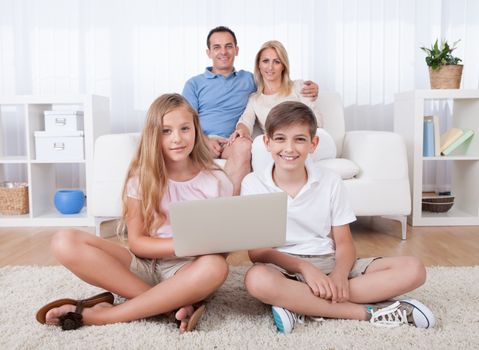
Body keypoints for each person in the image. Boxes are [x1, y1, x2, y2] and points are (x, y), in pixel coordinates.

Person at [35, 94, 233, 333]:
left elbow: (223, 245)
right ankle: (168, 306)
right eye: (166, 131)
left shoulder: (216, 180)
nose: (177, 138)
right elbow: (137, 244)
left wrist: (208, 246)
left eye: (185, 129)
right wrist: (184, 243)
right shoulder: (142, 178)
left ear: (196, 130)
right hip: (144, 267)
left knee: (216, 267)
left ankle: (103, 316)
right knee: (63, 241)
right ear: (153, 135)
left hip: (189, 271)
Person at [241, 101, 435, 334]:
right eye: (280, 139)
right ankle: (368, 312)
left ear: (314, 144)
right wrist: (303, 267)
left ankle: (297, 303)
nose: (289, 148)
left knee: (413, 269)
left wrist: (340, 275)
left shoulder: (330, 181)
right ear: (267, 143)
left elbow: (344, 242)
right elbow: (257, 253)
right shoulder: (253, 184)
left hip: (328, 260)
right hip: (282, 267)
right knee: (256, 280)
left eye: (300, 139)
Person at [182, 26, 319, 194]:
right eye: (217, 47)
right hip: (201, 141)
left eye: (229, 46)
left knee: (245, 145)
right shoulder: (194, 84)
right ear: (209, 52)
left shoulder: (249, 80)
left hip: (231, 142)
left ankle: (229, 207)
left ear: (236, 50)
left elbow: (273, 82)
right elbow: (185, 119)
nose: (223, 52)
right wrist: (203, 141)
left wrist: (310, 89)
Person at [229, 40, 336, 171]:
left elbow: (317, 122)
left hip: (309, 140)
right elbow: (245, 122)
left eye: (277, 62)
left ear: (283, 66)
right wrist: (241, 130)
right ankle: (278, 186)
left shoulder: (299, 87)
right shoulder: (255, 99)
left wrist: (293, 132)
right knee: (259, 144)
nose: (270, 67)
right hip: (280, 146)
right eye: (265, 61)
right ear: (259, 65)